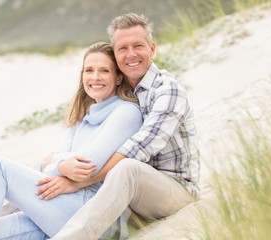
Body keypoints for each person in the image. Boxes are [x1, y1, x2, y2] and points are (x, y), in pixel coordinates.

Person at [0, 42, 143, 240]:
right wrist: (61, 165)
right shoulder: (81, 118)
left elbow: (86, 166)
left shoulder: (126, 112)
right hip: (58, 210)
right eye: (89, 70)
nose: (95, 77)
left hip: (92, 212)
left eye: (104, 71)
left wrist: (56, 162)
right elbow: (61, 165)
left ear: (118, 77)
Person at [52, 13, 200, 239]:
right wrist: (60, 164)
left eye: (138, 46)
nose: (131, 54)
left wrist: (82, 182)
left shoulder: (167, 89)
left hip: (174, 191)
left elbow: (142, 146)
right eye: (122, 48)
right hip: (129, 196)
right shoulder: (121, 95)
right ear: (115, 53)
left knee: (127, 167)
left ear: (152, 48)